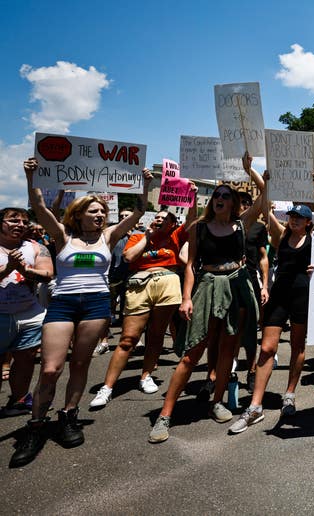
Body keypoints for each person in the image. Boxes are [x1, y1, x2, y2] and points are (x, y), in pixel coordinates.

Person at [12, 158, 152, 467]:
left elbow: (141, 211)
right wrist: (30, 175)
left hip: (96, 304)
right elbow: (39, 205)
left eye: (102, 211)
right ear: (79, 215)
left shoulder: (109, 237)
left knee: (80, 363)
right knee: (50, 368)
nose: (100, 215)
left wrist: (146, 185)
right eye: (94, 211)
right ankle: (35, 426)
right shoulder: (62, 235)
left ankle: (68, 416)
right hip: (62, 304)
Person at [148, 153, 265, 443]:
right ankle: (165, 415)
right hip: (207, 286)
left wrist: (250, 171)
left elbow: (265, 196)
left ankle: (217, 400)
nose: (220, 198)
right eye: (217, 195)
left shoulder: (241, 224)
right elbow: (190, 265)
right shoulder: (199, 228)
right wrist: (186, 298)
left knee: (228, 350)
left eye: (226, 195)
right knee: (193, 352)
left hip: (237, 286)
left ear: (234, 202)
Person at [229, 172, 314, 434]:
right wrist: (262, 179)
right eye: (291, 215)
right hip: (279, 296)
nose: (293, 219)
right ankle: (256, 405)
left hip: (302, 298)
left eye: (298, 216)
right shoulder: (280, 235)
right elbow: (265, 203)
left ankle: (290, 393)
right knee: (268, 348)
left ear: (308, 222)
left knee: (297, 346)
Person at [89, 200, 198, 409]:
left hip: (167, 282)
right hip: (139, 284)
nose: (159, 219)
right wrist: (147, 237)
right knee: (128, 339)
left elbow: (192, 219)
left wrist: (191, 196)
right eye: (156, 217)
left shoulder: (175, 236)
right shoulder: (138, 236)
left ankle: (146, 375)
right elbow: (129, 257)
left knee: (156, 334)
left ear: (173, 224)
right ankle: (108, 387)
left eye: (164, 218)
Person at [0, 208, 53, 417]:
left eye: (24, 221)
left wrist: (24, 270)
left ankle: (18, 400)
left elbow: (48, 274)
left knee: (25, 359)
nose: (20, 225)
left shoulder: (35, 247)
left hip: (29, 315)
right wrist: (8, 268)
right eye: (13, 220)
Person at [237, 191, 270, 390]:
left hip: (250, 281)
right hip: (227, 282)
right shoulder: (223, 224)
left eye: (247, 203)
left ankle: (251, 370)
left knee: (249, 331)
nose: (244, 206)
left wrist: (265, 285)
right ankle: (221, 374)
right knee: (229, 331)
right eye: (240, 202)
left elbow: (263, 256)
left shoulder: (257, 227)